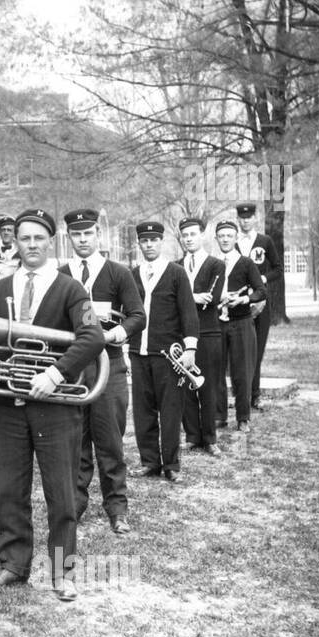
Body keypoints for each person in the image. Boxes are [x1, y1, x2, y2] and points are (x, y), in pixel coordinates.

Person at [0, 209, 104, 602]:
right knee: (7, 488)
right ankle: (13, 564)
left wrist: (55, 374)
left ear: (51, 242)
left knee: (61, 492)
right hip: (9, 406)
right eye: (24, 238)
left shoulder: (69, 288)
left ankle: (62, 572)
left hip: (56, 406)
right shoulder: (0, 289)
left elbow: (92, 337)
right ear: (14, 242)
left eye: (38, 238)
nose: (31, 245)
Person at [59, 207, 145, 530]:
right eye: (76, 235)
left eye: (88, 233)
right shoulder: (61, 273)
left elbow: (138, 316)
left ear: (98, 234)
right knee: (74, 442)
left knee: (110, 441)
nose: (82, 240)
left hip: (110, 366)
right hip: (74, 370)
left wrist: (113, 333)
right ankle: (75, 505)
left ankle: (117, 509)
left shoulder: (118, 273)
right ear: (69, 238)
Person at [130, 220, 199, 483]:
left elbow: (188, 313)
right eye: (144, 241)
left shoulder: (176, 273)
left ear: (162, 242)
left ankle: (171, 464)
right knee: (143, 410)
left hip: (168, 355)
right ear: (139, 244)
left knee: (170, 410)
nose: (149, 245)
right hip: (138, 352)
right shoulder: (132, 274)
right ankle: (150, 462)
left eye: (154, 240)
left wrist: (190, 347)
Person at [176, 217, 225, 456]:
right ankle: (192, 436)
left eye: (193, 234)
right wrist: (194, 297)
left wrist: (186, 298)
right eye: (185, 236)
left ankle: (209, 437)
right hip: (182, 334)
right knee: (185, 383)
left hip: (208, 332)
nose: (188, 239)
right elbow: (173, 301)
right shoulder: (175, 266)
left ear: (202, 235)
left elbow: (213, 299)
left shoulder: (216, 265)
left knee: (208, 386)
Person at [214, 219, 267, 434]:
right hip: (216, 324)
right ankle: (219, 416)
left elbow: (261, 291)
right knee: (216, 370)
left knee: (242, 371)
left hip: (242, 323)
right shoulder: (212, 263)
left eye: (229, 235)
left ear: (235, 238)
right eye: (221, 236)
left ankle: (243, 417)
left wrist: (245, 299)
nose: (225, 239)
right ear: (216, 239)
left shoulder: (246, 263)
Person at [235, 203, 280, 411]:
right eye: (242, 217)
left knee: (257, 350)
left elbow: (278, 269)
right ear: (238, 219)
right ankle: (240, 396)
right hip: (238, 304)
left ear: (255, 218)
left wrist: (262, 277)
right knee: (239, 351)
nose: (245, 220)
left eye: (249, 217)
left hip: (260, 303)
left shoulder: (265, 241)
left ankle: (254, 395)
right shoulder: (232, 241)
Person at [0, 215, 18, 279]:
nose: (6, 232)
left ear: (14, 233)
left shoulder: (20, 255)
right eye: (3, 230)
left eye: (9, 230)